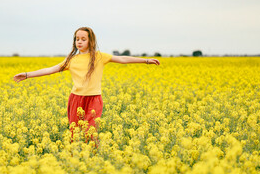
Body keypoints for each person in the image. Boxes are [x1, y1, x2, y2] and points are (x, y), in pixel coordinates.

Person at [13, 27, 160, 146]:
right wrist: (27, 75)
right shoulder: (71, 60)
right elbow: (50, 70)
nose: (79, 41)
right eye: (77, 39)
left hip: (94, 99)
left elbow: (122, 59)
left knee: (91, 132)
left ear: (91, 41)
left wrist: (145, 60)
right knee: (74, 132)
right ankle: (75, 158)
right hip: (76, 99)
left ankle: (95, 156)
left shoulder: (99, 57)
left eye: (83, 39)